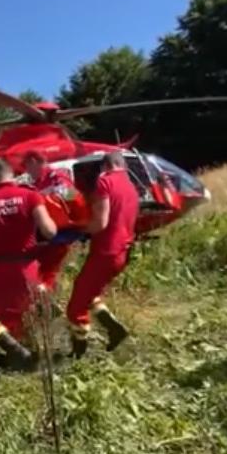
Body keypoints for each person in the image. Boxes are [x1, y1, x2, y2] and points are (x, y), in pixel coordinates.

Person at [0, 158, 56, 368]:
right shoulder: (31, 196)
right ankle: (29, 355)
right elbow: (50, 231)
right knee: (25, 313)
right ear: (11, 174)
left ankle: (15, 351)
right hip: (26, 268)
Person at [66, 151, 136, 357]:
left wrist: (79, 229)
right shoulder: (130, 185)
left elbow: (100, 222)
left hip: (105, 252)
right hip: (122, 252)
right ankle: (114, 330)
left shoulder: (105, 182)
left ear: (105, 166)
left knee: (75, 307)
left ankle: (78, 354)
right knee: (90, 293)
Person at [24, 150, 87, 294]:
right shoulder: (37, 182)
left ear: (33, 162)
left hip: (63, 233)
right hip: (48, 233)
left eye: (27, 166)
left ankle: (49, 299)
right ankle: (46, 299)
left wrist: (44, 197)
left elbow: (72, 195)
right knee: (44, 270)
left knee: (51, 271)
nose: (27, 171)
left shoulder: (56, 176)